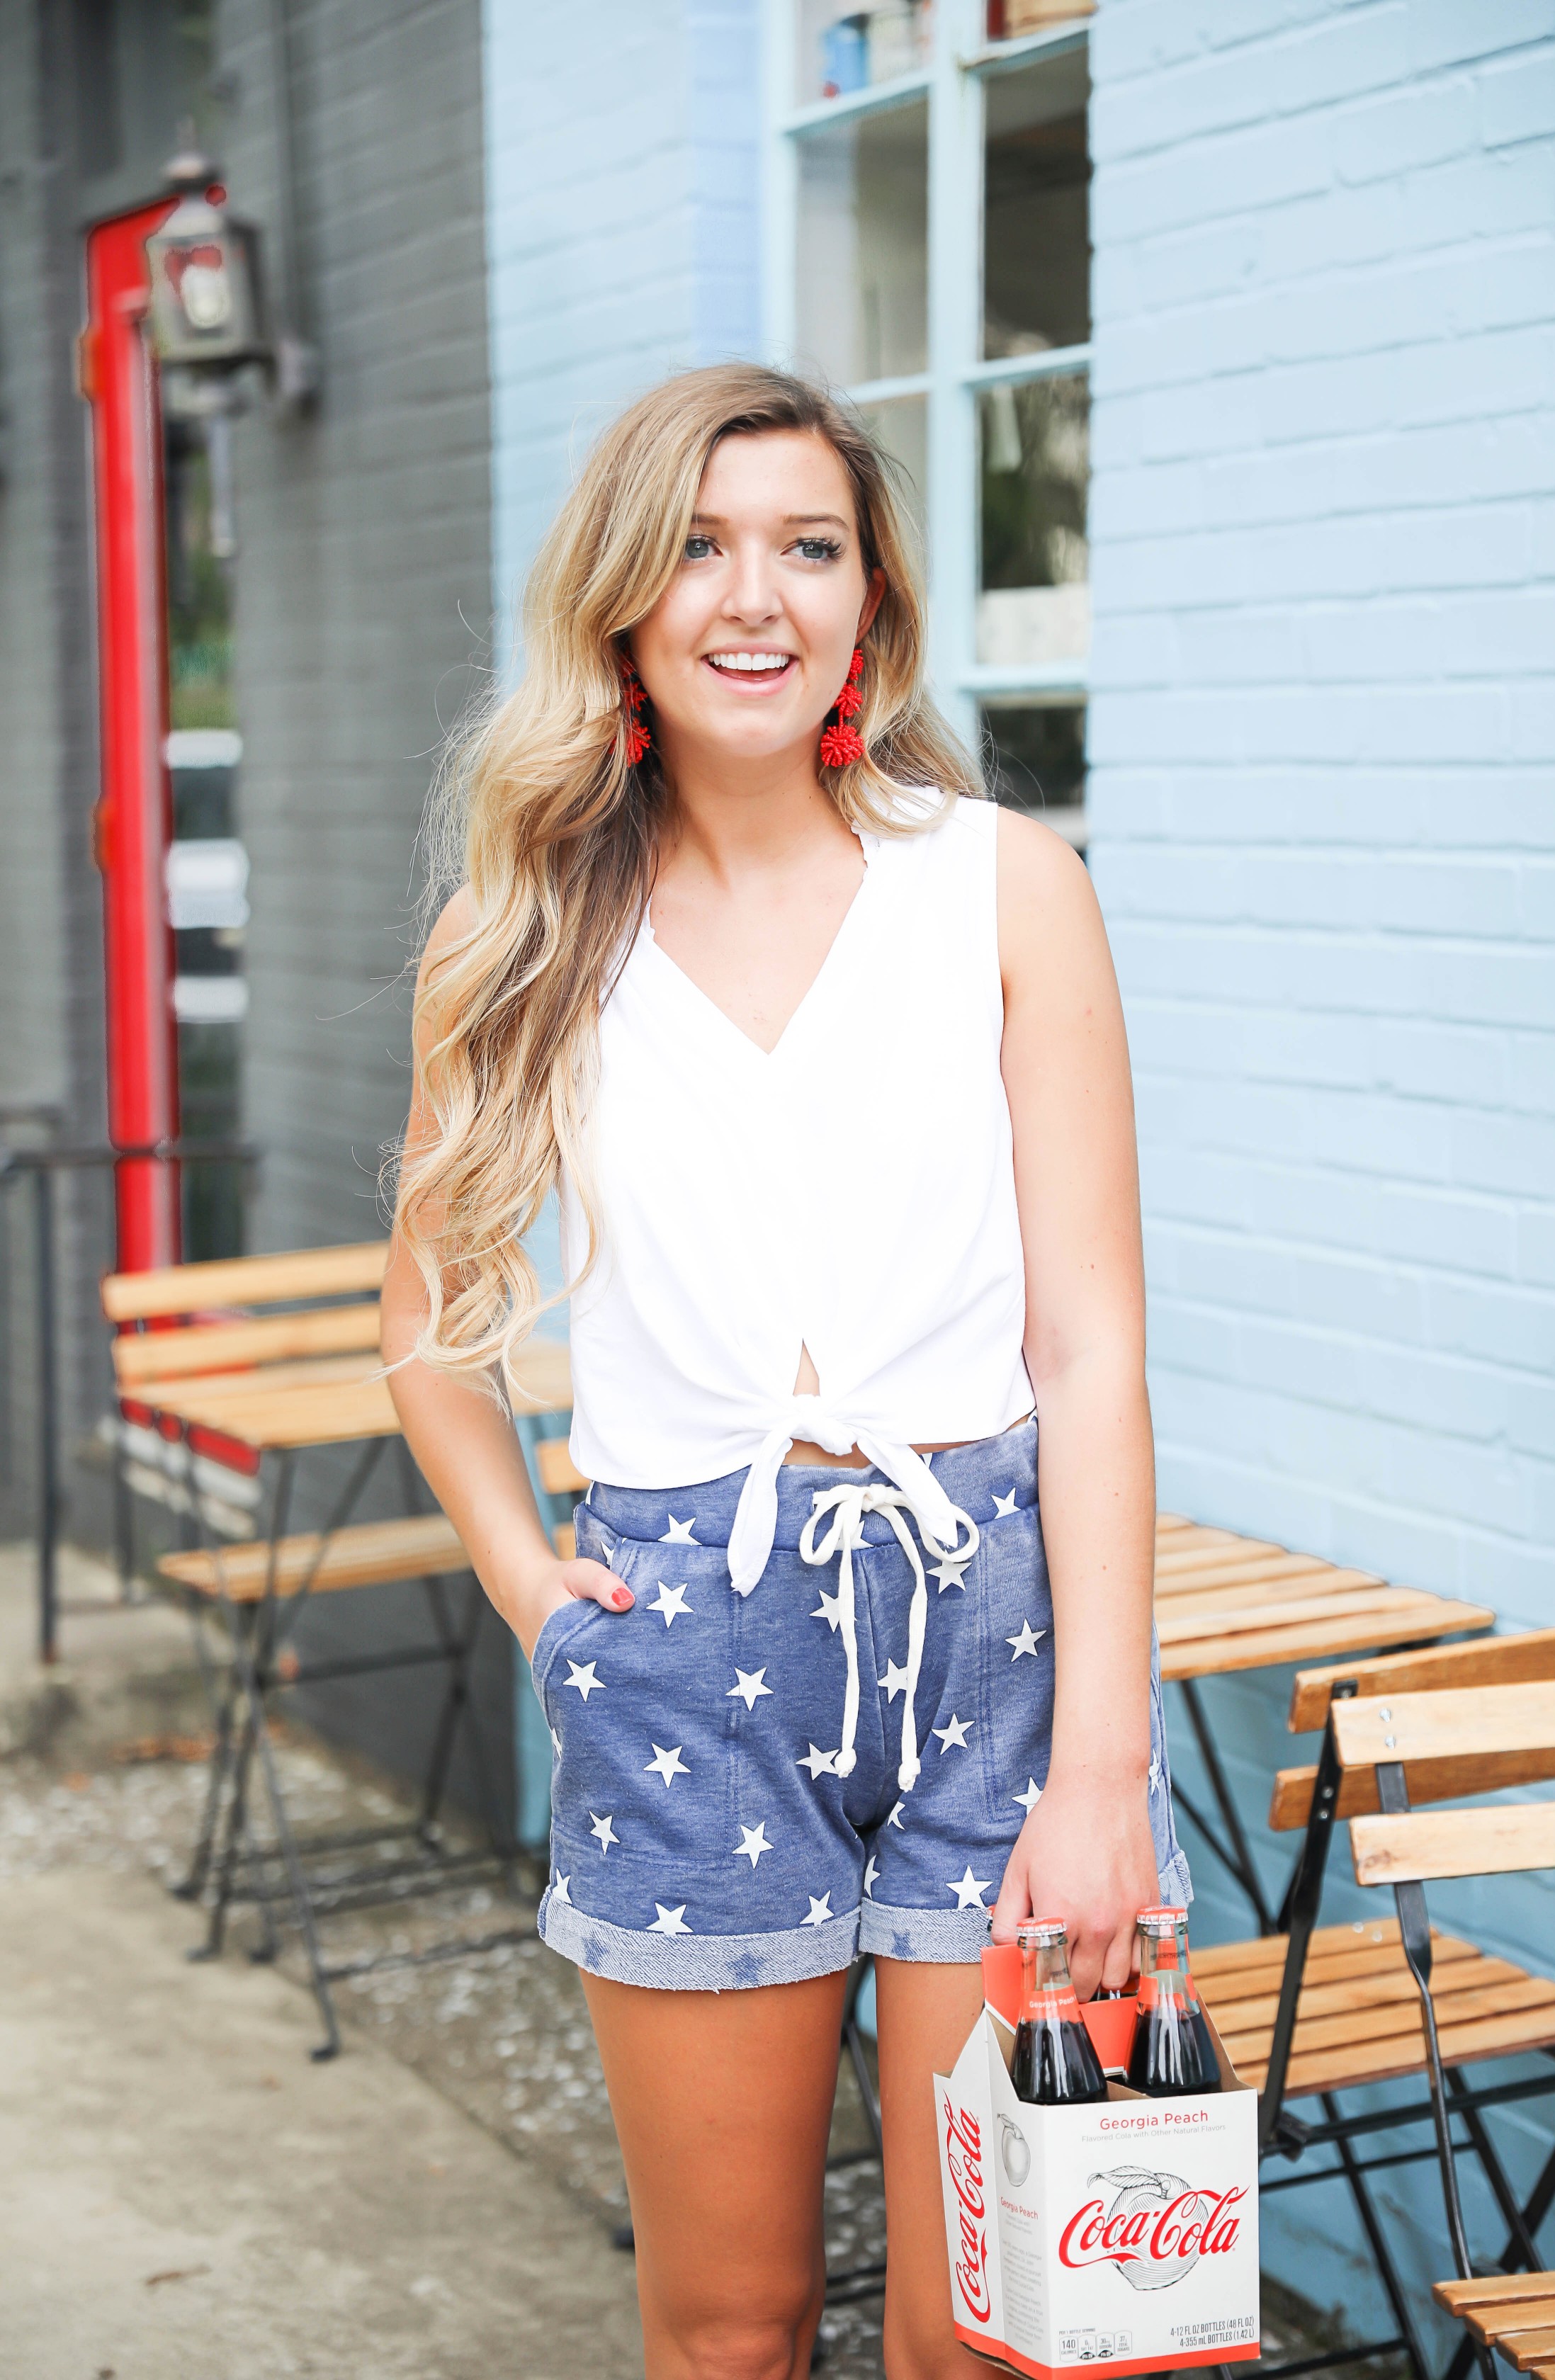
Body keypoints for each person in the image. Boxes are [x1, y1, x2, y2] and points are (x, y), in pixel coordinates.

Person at [382, 363, 1188, 2380]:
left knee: (988, 2332)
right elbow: (428, 1324)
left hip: (991, 1630)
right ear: (622, 603)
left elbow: (1090, 1347)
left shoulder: (1001, 886)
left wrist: (1104, 1765)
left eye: (808, 546)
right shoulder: (522, 928)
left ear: (871, 603)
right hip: (685, 1637)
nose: (757, 595)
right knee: (730, 2327)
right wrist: (524, 1580)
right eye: (699, 543)